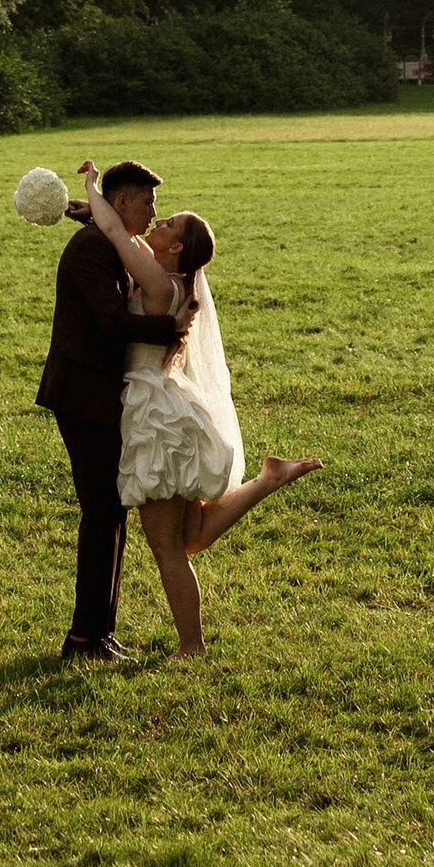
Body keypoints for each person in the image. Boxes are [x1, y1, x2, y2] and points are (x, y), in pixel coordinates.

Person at [78, 159, 320, 659]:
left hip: (154, 416)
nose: (157, 221)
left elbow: (117, 235)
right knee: (188, 537)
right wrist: (92, 211)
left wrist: (91, 188)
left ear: (177, 248)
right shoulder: (168, 278)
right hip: (167, 408)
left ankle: (192, 646)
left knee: (170, 548)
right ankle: (268, 480)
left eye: (167, 224)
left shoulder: (162, 284)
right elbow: (122, 235)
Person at [34, 156, 181, 664]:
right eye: (148, 201)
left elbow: (123, 239)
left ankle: (98, 632)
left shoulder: (107, 240)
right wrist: (171, 331)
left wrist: (88, 212)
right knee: (103, 514)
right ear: (122, 202)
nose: (153, 210)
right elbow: (113, 323)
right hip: (82, 397)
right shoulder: (91, 251)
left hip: (99, 396)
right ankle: (84, 639)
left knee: (110, 512)